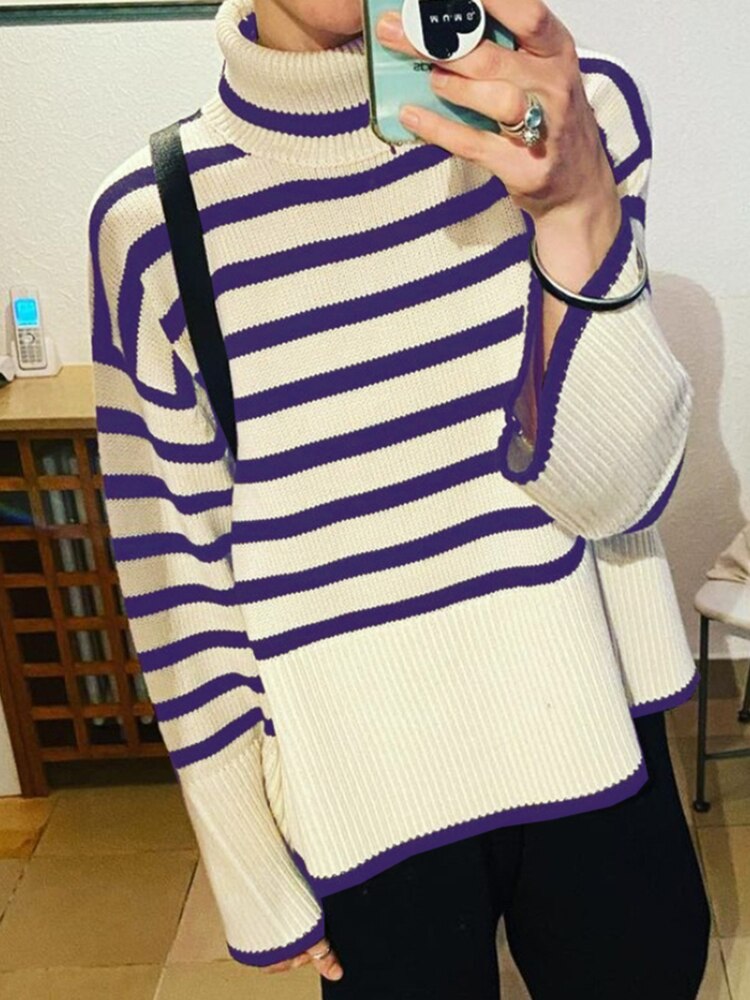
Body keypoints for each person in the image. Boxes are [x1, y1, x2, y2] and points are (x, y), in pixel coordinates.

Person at [86, 0, 711, 995]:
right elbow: (179, 582)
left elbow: (616, 495)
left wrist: (577, 209)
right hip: (360, 781)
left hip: (590, 717)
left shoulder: (573, 110)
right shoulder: (155, 222)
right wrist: (251, 869)